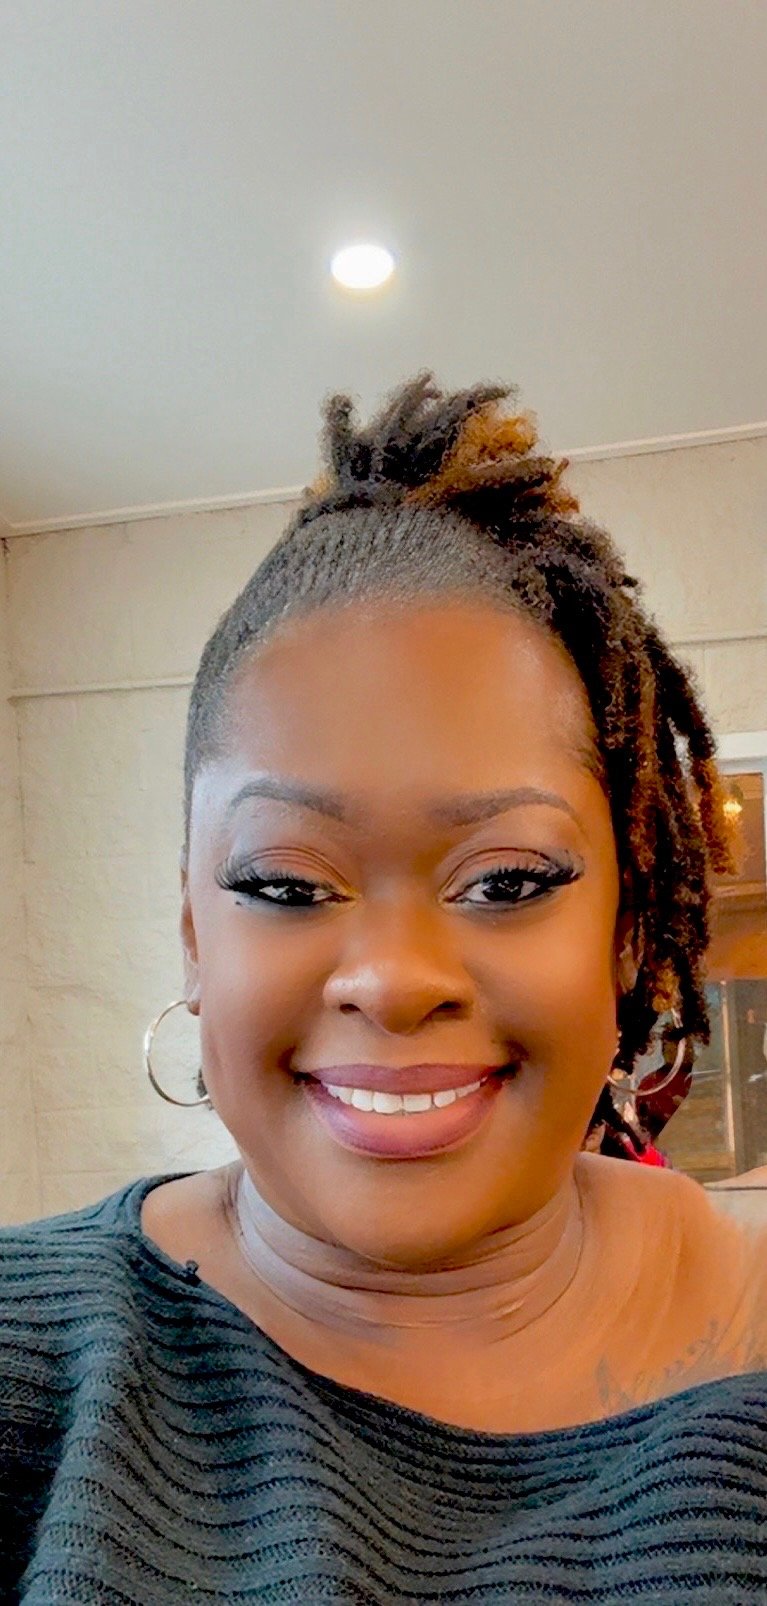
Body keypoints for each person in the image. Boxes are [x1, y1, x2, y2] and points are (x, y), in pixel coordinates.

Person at [2, 373, 766, 1603]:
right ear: (194, 937)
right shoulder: (30, 1358)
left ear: (625, 935)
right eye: (287, 884)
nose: (393, 981)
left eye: (505, 880)